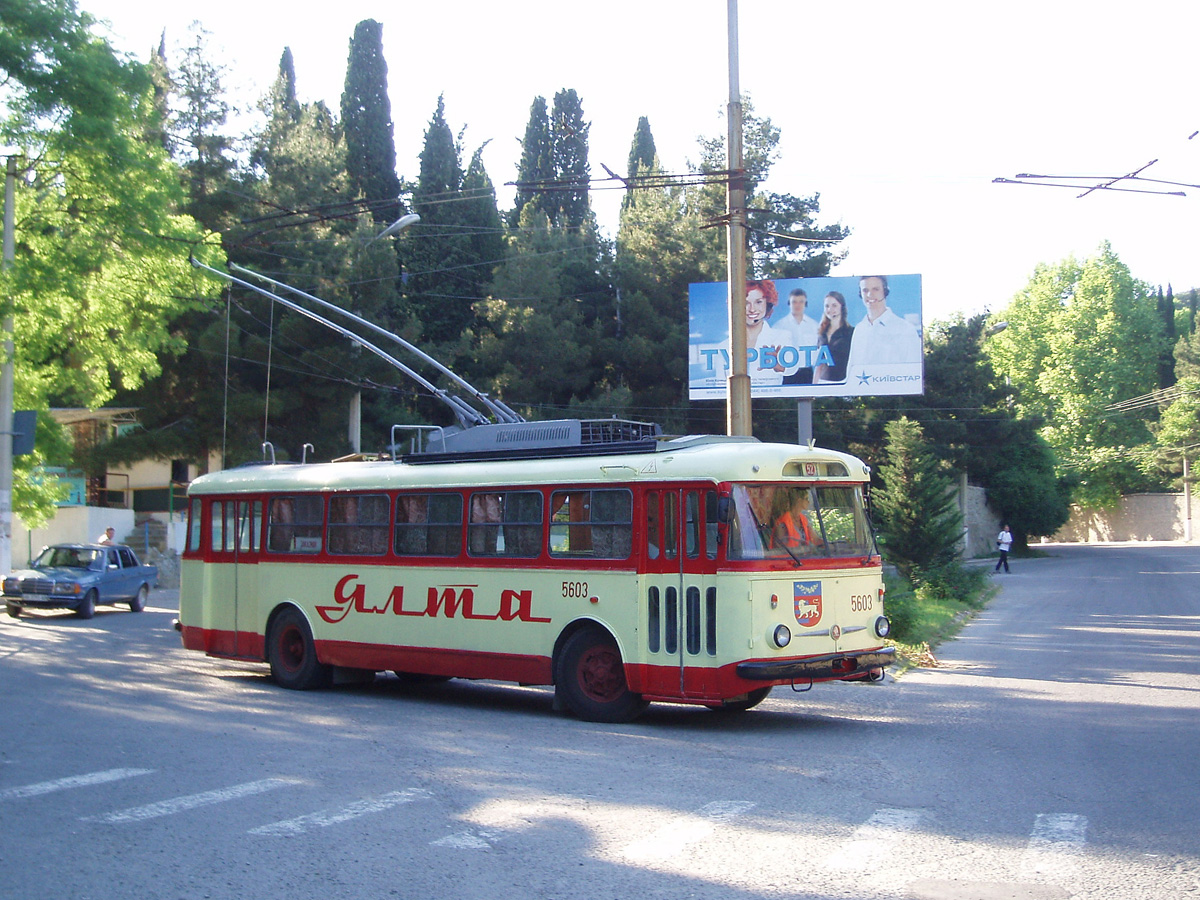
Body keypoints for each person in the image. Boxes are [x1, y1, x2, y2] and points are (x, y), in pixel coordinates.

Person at [844, 275, 923, 375]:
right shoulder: (859, 329)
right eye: (865, 290)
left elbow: (914, 370)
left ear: (885, 291)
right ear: (860, 294)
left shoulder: (905, 329)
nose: (870, 294)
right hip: (863, 389)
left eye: (875, 289)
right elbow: (851, 367)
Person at [780, 287, 820, 385]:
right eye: (794, 302)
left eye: (801, 302)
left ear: (805, 304)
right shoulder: (780, 326)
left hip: (807, 372)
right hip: (787, 372)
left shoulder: (814, 326)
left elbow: (819, 350)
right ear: (789, 304)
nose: (797, 305)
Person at [813, 291, 854, 383]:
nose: (830, 309)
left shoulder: (850, 332)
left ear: (842, 307)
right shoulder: (821, 333)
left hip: (843, 382)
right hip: (823, 382)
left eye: (834, 305)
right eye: (827, 306)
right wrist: (813, 387)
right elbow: (819, 365)